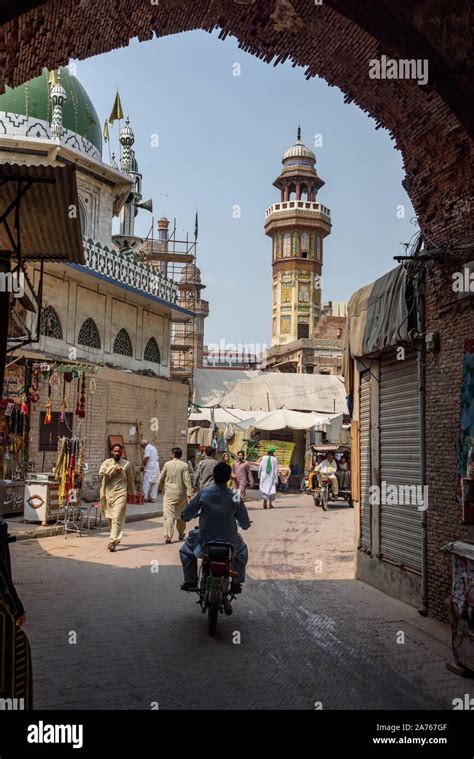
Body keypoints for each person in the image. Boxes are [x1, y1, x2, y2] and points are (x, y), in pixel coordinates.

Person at [179, 462, 251, 594]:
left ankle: (191, 581)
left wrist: (184, 516)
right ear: (229, 477)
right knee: (242, 552)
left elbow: (188, 514)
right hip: (230, 541)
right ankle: (236, 582)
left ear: (213, 476)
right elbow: (245, 523)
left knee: (186, 551)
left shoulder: (204, 493)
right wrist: (244, 525)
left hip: (205, 540)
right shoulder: (235, 497)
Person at [99, 443, 135, 552]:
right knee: (110, 517)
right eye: (115, 451)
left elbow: (130, 479)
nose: (117, 453)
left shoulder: (126, 464)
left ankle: (113, 540)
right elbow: (101, 472)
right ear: (111, 452)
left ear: (121, 452)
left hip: (121, 494)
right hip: (108, 494)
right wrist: (114, 468)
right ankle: (115, 536)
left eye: (119, 451)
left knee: (117, 516)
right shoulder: (107, 462)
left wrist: (132, 493)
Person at [157, 447, 192, 543]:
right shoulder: (184, 465)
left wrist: (159, 488)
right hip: (181, 494)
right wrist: (189, 493)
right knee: (181, 516)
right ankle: (181, 533)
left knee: (169, 515)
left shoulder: (167, 464)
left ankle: (168, 536)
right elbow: (187, 480)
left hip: (169, 494)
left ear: (173, 454)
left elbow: (161, 478)